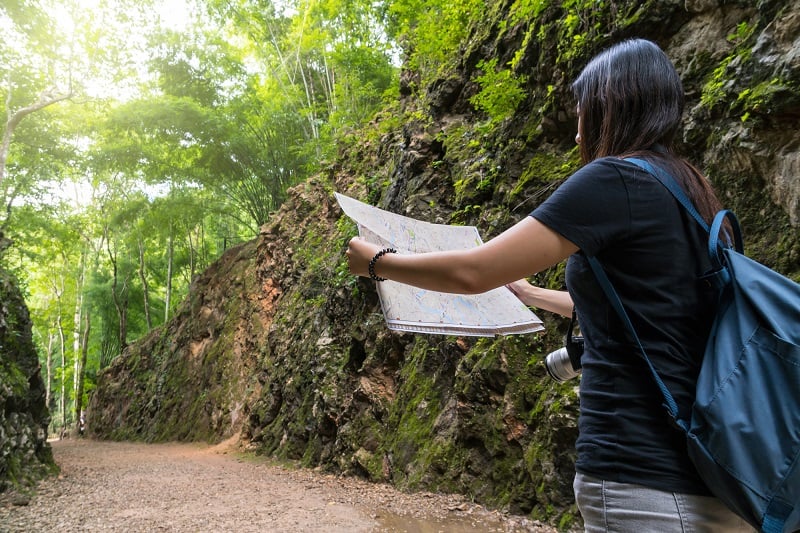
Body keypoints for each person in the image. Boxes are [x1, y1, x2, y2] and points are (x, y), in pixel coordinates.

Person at [346, 39, 754, 532]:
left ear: (613, 108)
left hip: (639, 477)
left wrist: (380, 262)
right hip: (717, 477)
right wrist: (532, 295)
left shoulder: (615, 180)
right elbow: (648, 313)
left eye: (584, 114)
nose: (578, 131)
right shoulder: (697, 196)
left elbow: (472, 272)